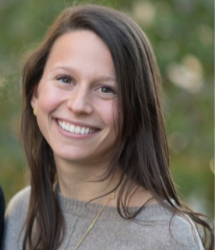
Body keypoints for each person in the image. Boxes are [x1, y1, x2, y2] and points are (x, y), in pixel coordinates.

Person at [2, 4, 214, 250]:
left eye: (106, 89)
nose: (78, 105)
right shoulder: (22, 212)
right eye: (65, 79)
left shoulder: (166, 236)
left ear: (135, 109)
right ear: (35, 93)